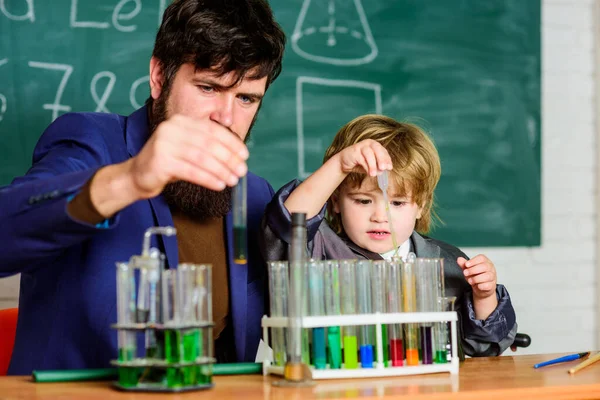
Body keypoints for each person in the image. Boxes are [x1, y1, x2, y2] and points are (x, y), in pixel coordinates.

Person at [0, 0, 286, 374]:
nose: (227, 118)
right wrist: (130, 178)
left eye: (246, 98)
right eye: (208, 88)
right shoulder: (92, 143)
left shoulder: (256, 194)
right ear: (158, 77)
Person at [260, 114, 517, 356]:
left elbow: (483, 346)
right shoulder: (319, 246)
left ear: (421, 206)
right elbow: (288, 223)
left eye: (397, 203)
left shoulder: (444, 261)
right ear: (335, 200)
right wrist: (339, 165)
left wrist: (484, 297)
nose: (380, 216)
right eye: (363, 201)